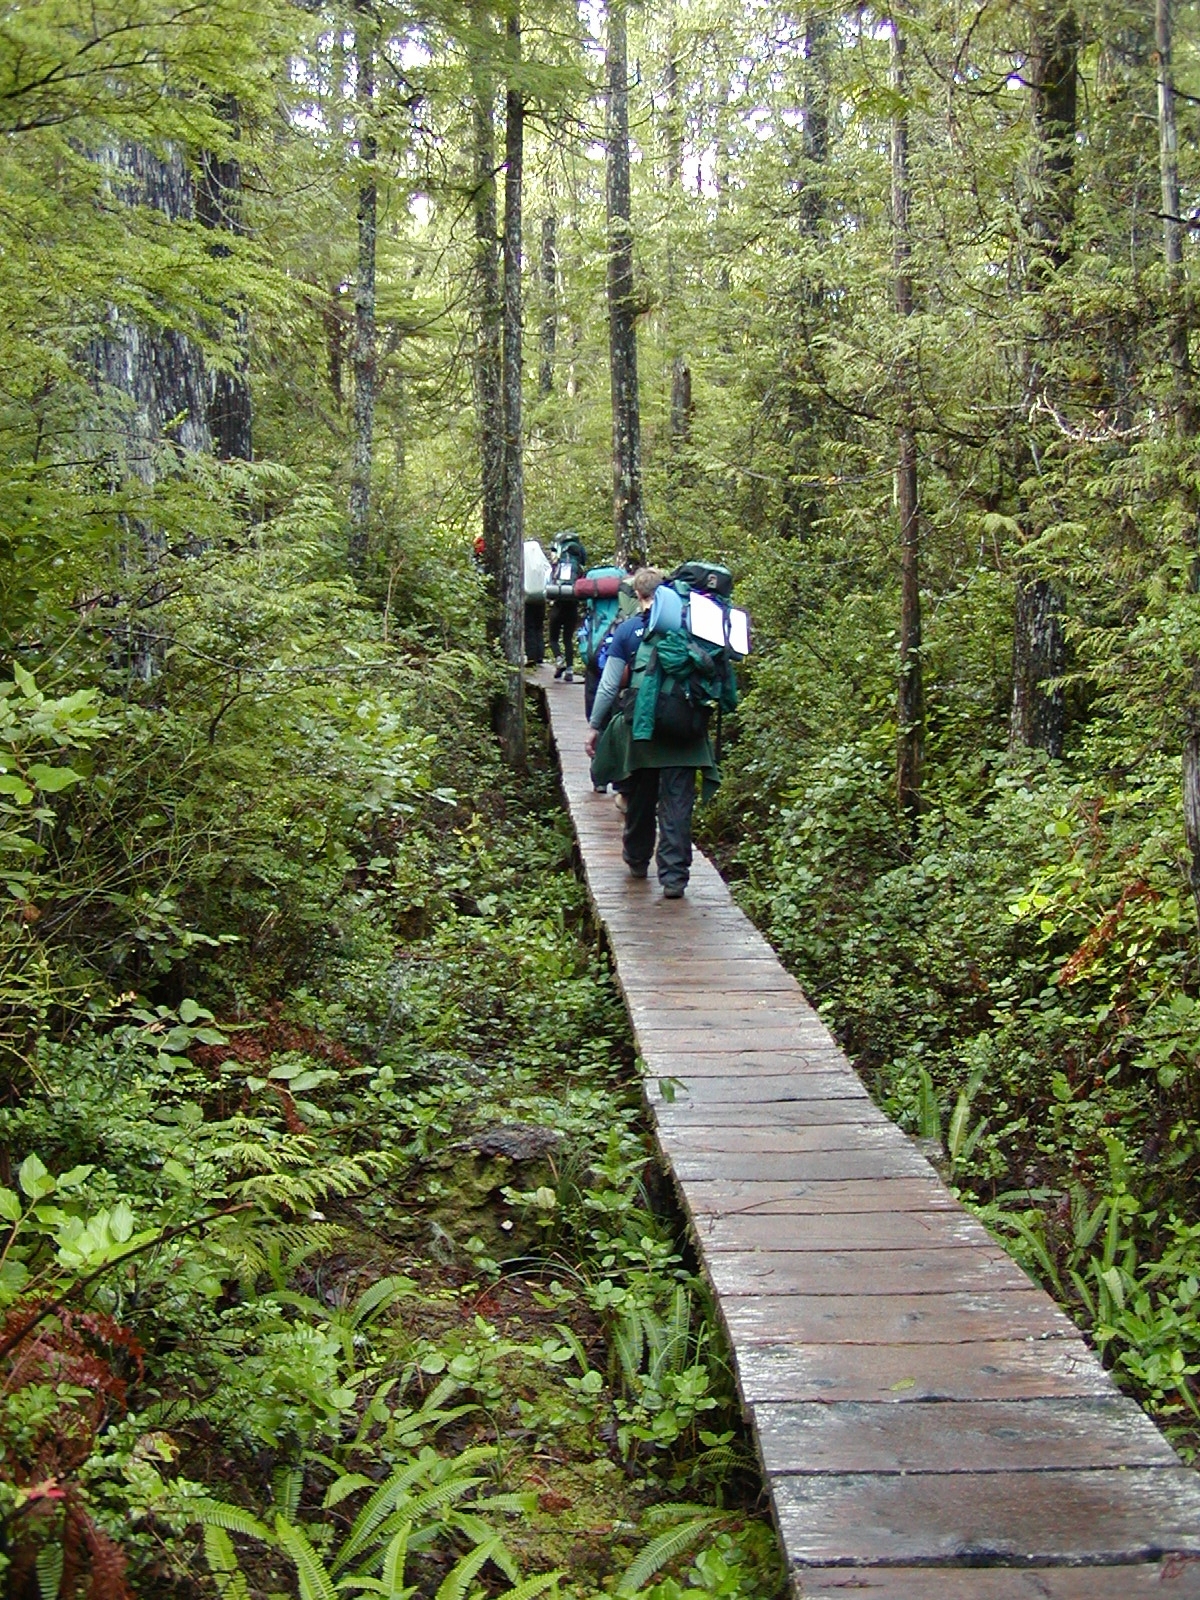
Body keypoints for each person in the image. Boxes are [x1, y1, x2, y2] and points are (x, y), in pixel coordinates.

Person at [584, 568, 718, 900]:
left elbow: (610, 685)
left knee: (641, 797)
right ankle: (674, 878)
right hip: (687, 732)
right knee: (677, 804)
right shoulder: (694, 631)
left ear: (638, 596)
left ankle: (637, 860)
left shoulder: (629, 631)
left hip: (643, 733)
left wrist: (595, 726)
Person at [547, 534, 586, 682]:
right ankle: (569, 670)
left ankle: (559, 659)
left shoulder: (558, 562)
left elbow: (550, 581)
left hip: (558, 603)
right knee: (568, 639)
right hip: (572, 604)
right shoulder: (578, 565)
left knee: (553, 638)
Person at [523, 538, 550, 666]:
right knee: (538, 626)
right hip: (541, 598)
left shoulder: (523, 561)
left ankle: (531, 655)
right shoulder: (541, 562)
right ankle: (540, 655)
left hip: (527, 598)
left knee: (529, 627)